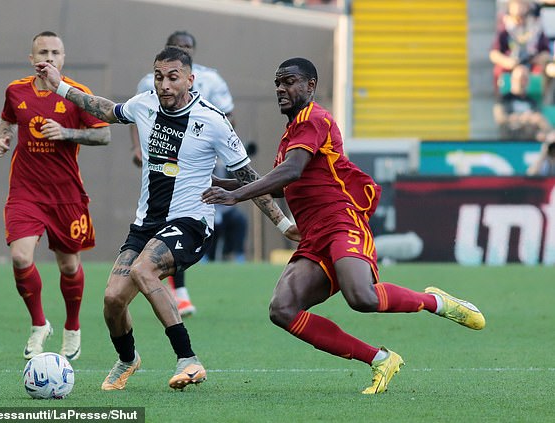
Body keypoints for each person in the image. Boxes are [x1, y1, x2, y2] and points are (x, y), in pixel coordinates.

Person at [202, 57, 486, 394]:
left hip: (341, 222)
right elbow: (281, 184)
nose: (281, 88)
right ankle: (380, 359)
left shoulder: (314, 119)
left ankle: (435, 302)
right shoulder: (291, 134)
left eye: (289, 81)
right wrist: (219, 182)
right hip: (313, 237)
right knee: (282, 309)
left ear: (311, 86)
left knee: (361, 297)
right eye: (278, 82)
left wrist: (237, 196)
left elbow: (290, 172)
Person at [35, 46, 299, 391]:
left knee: (145, 270)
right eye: (159, 76)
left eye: (173, 77)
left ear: (190, 79)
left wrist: (283, 223)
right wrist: (60, 87)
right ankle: (128, 359)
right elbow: (106, 109)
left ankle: (188, 359)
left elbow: (252, 179)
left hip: (191, 223)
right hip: (147, 223)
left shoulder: (213, 120)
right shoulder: (144, 104)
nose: (164, 84)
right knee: (113, 299)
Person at [0, 31, 111, 362]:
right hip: (25, 191)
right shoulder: (15, 90)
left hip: (65, 194)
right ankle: (39, 323)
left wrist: (67, 133)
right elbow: (6, 122)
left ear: (63, 58)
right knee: (20, 257)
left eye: (55, 52)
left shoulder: (76, 94)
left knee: (69, 265)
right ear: (32, 59)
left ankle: (72, 327)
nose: (49, 57)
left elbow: (105, 135)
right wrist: (3, 140)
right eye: (42, 51)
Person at [131, 30, 237, 316]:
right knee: (166, 217)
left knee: (192, 218)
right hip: (163, 164)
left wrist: (224, 151)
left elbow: (228, 116)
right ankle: (178, 292)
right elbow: (133, 115)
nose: (182, 49)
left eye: (187, 46)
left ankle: (182, 288)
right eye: (176, 46)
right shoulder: (148, 83)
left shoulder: (210, 81)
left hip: (201, 161)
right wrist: (137, 149)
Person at [490, 0, 551, 93]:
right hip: (512, 64)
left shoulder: (536, 29)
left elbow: (546, 51)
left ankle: (538, 103)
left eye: (522, 5)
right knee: (502, 72)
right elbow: (494, 53)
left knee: (547, 70)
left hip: (532, 63)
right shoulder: (505, 29)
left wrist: (539, 58)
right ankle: (508, 100)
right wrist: (507, 62)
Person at [493, 65, 551, 140]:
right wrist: (522, 118)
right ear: (512, 80)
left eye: (524, 79)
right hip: (510, 139)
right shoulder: (503, 99)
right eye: (519, 79)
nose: (521, 82)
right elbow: (500, 118)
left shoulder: (532, 102)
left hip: (531, 139)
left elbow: (539, 119)